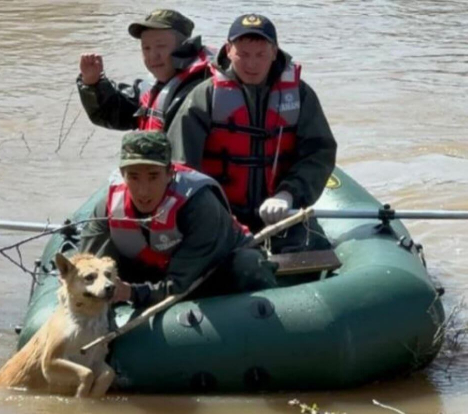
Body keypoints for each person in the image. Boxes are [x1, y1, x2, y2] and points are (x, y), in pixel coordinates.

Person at [167, 14, 337, 253]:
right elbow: (181, 166)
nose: (252, 64)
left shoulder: (300, 94)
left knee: (317, 251)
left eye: (260, 55)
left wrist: (288, 194)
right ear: (228, 50)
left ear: (274, 52)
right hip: (219, 215)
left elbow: (319, 153)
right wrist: (209, 212)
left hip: (282, 212)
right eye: (243, 55)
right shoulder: (204, 96)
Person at [78, 130, 277, 308]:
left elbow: (181, 283)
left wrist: (132, 293)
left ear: (169, 174)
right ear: (123, 175)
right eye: (134, 177)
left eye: (154, 176)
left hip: (207, 272)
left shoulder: (198, 205)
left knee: (248, 264)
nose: (143, 191)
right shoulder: (107, 207)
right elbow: (87, 269)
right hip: (152, 271)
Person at [77, 9, 214, 132]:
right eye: (146, 48)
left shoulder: (206, 89)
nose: (152, 56)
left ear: (185, 48)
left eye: (160, 46)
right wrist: (92, 83)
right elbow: (112, 114)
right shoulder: (148, 87)